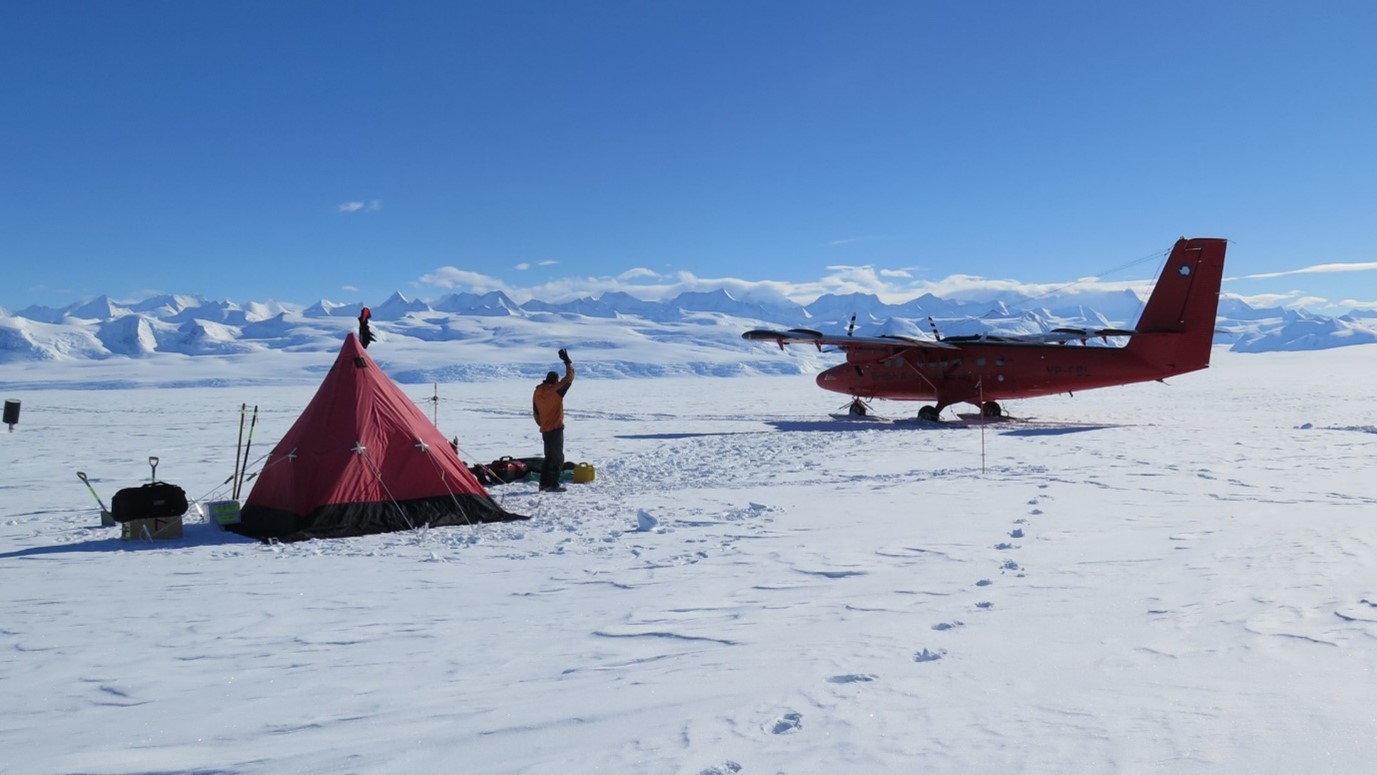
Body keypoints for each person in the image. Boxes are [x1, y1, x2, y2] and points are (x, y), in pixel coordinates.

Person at [532, 348, 575, 492]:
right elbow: (569, 379)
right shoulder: (556, 390)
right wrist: (567, 362)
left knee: (548, 458)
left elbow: (535, 411)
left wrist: (542, 423)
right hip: (555, 429)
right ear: (555, 380)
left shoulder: (538, 391)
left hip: (545, 429)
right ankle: (553, 484)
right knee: (557, 458)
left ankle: (543, 483)